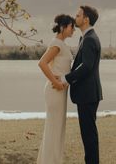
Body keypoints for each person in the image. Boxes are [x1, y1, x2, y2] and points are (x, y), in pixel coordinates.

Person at [62, 5, 102, 164]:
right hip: (87, 94)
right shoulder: (85, 38)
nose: (75, 18)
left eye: (78, 15)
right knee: (88, 135)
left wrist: (67, 78)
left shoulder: (90, 39)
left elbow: (86, 66)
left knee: (89, 136)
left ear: (86, 19)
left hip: (88, 94)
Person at [36, 14, 75, 164]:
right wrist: (56, 82)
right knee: (54, 127)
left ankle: (52, 160)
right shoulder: (57, 44)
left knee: (57, 127)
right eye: (71, 27)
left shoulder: (61, 43)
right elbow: (42, 63)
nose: (73, 30)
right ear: (63, 27)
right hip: (55, 90)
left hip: (60, 91)